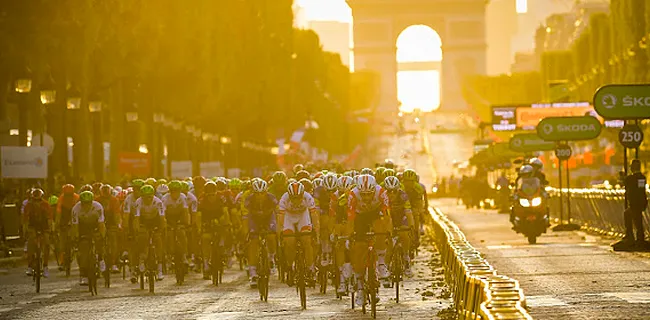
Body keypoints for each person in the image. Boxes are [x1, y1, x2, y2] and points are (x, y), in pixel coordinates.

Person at [347, 174, 390, 307]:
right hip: (359, 217)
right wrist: (350, 236)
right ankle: (360, 288)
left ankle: (381, 264)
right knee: (359, 248)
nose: (365, 198)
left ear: (374, 191)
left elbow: (388, 216)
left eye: (369, 194)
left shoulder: (382, 193)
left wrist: (389, 231)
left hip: (375, 214)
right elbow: (350, 219)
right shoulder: (352, 195)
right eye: (363, 195)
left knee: (381, 230)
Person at [279, 181, 317, 286]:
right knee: (289, 241)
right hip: (289, 217)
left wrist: (316, 230)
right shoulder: (284, 199)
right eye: (293, 198)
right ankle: (290, 266)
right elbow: (280, 218)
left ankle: (310, 268)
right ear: (289, 196)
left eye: (298, 198)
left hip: (302, 217)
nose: (296, 201)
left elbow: (314, 215)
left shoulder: (308, 197)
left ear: (302, 194)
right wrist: (280, 233)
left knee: (307, 241)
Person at [244, 179, 278, 288]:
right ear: (253, 193)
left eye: (262, 193)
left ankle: (271, 257)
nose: (260, 196)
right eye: (257, 194)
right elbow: (246, 215)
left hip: (268, 218)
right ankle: (253, 272)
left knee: (271, 236)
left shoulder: (271, 198)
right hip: (254, 219)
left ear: (266, 191)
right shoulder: (249, 200)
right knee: (253, 242)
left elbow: (277, 212)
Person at [71, 191, 106, 285]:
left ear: (92, 202)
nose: (86, 206)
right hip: (82, 228)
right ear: (81, 202)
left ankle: (101, 258)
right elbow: (75, 227)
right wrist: (76, 238)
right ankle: (83, 274)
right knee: (83, 251)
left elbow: (101, 224)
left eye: (88, 203)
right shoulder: (76, 209)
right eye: (84, 203)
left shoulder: (98, 207)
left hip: (94, 226)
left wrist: (102, 236)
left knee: (99, 240)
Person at [198, 181, 231, 279]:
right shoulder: (201, 199)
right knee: (205, 238)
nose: (211, 197)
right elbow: (199, 215)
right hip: (206, 216)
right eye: (209, 195)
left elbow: (225, 212)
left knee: (224, 226)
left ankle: (221, 243)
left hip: (218, 214)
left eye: (213, 195)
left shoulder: (221, 197)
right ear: (205, 194)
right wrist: (199, 228)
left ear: (216, 192)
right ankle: (206, 263)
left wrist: (227, 224)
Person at [132, 185, 165, 281]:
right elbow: (136, 219)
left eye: (150, 196)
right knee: (142, 237)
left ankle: (159, 269)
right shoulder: (138, 202)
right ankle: (141, 260)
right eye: (146, 197)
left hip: (155, 220)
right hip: (143, 221)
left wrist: (161, 230)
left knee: (158, 240)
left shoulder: (158, 202)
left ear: (153, 195)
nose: (148, 199)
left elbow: (162, 218)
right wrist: (137, 231)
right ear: (142, 197)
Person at [383, 176, 413, 279]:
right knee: (389, 245)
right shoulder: (383, 196)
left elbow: (408, 213)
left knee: (404, 234)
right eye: (389, 191)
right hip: (389, 216)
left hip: (401, 216)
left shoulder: (403, 196)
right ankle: (385, 266)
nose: (392, 194)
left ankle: (406, 257)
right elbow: (385, 217)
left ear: (398, 190)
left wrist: (411, 226)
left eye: (394, 191)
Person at [22, 189, 53, 278]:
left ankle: (45, 266)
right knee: (31, 243)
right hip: (32, 226)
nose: (37, 202)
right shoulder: (28, 205)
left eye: (39, 200)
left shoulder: (46, 205)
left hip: (44, 226)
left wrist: (50, 230)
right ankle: (30, 266)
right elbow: (25, 220)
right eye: (34, 200)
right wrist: (25, 231)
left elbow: (50, 219)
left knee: (46, 244)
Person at [619, 160, 648, 249]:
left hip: (634, 204)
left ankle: (631, 237)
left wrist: (623, 177)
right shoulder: (642, 177)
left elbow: (624, 184)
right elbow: (641, 190)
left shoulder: (630, 178)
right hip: (641, 203)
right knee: (637, 220)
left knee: (632, 218)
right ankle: (639, 238)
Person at [162, 180, 190, 268]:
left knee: (182, 233)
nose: (175, 193)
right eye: (173, 191)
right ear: (169, 191)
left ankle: (184, 256)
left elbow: (186, 212)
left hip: (179, 217)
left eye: (177, 191)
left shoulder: (183, 197)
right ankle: (169, 257)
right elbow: (162, 214)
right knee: (168, 235)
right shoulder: (165, 198)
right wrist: (165, 224)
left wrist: (186, 223)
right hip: (168, 218)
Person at [96, 185, 122, 273]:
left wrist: (118, 225)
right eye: (104, 195)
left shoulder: (114, 200)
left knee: (113, 240)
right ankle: (100, 259)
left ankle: (114, 263)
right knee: (98, 240)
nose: (106, 197)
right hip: (98, 222)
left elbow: (117, 214)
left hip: (111, 222)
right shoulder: (97, 200)